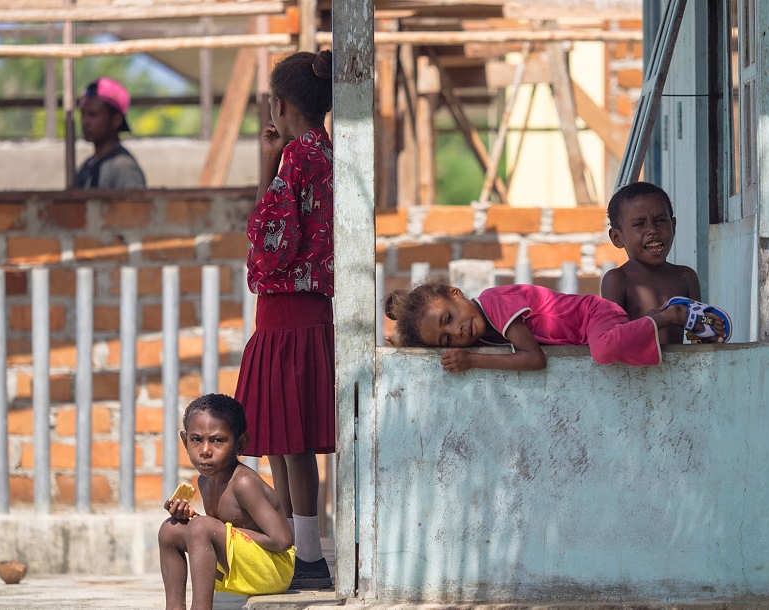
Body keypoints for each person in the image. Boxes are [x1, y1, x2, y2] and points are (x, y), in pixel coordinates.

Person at [233, 49, 335, 589]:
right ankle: (299, 552)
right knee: (286, 439)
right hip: (309, 313)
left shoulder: (297, 158)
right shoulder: (327, 153)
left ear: (279, 103)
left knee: (288, 442)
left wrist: (268, 167)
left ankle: (307, 558)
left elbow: (268, 242)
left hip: (284, 315)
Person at [384, 281, 728, 372]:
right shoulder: (484, 330)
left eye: (448, 319)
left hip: (593, 315)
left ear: (455, 293)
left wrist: (473, 361)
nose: (456, 333)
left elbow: (534, 358)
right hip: (588, 332)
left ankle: (669, 315)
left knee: (605, 350)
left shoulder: (493, 303)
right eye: (446, 338)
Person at [158, 394, 295, 610]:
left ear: (241, 444)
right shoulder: (205, 481)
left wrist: (209, 528)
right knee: (170, 530)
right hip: (245, 564)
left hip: (273, 570)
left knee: (202, 527)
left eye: (217, 440)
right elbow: (220, 535)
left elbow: (282, 540)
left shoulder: (243, 483)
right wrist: (191, 520)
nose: (205, 451)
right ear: (185, 441)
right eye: (196, 439)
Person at [601, 181, 726, 344]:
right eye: (639, 224)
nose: (653, 230)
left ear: (673, 226)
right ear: (617, 238)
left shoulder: (686, 277)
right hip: (634, 369)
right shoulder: (617, 280)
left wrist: (710, 332)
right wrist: (663, 319)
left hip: (680, 369)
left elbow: (695, 336)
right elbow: (612, 340)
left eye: (660, 221)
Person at [75, 77, 146, 189]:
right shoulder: (87, 166)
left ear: (116, 120)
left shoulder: (124, 168)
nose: (85, 121)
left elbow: (134, 206)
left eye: (93, 114)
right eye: (83, 114)